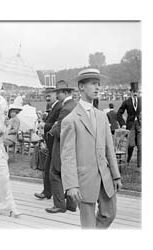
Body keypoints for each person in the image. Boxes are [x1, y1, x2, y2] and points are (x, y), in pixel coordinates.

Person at [61, 69, 122, 229]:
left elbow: (110, 148)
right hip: (84, 180)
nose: (97, 88)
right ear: (81, 87)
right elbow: (67, 156)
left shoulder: (102, 116)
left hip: (105, 176)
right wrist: (71, 185)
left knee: (109, 214)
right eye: (93, 84)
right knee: (87, 225)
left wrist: (116, 176)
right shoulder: (71, 120)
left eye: (98, 84)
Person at [46, 80, 78, 214]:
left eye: (58, 93)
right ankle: (71, 204)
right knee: (69, 172)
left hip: (61, 145)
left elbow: (60, 130)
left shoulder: (65, 108)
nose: (57, 95)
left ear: (65, 93)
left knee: (54, 173)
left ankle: (59, 205)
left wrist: (51, 130)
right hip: (73, 145)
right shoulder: (75, 105)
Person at [34, 87, 60, 200]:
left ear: (57, 95)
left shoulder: (59, 107)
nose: (47, 98)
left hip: (54, 142)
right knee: (48, 168)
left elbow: (57, 125)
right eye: (46, 96)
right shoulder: (52, 107)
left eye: (49, 96)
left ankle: (50, 192)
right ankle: (47, 192)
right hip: (49, 142)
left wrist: (44, 125)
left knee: (51, 168)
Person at [117, 82, 141, 168]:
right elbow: (119, 114)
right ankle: (128, 160)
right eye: (133, 91)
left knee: (140, 145)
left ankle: (140, 165)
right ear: (131, 92)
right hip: (130, 125)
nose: (135, 93)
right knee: (131, 145)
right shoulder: (126, 102)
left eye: (136, 91)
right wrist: (123, 124)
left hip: (140, 125)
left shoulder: (142, 100)